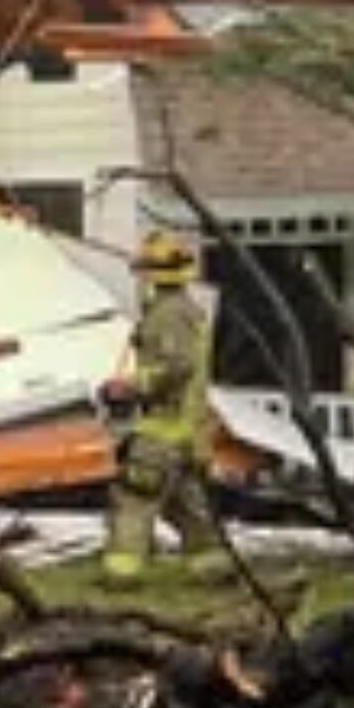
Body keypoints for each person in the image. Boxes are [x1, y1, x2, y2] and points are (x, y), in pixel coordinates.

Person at [101, 232, 218, 581]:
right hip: (188, 429)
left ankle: (121, 572)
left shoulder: (168, 314)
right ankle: (213, 568)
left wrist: (133, 386)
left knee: (133, 499)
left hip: (162, 428)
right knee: (187, 506)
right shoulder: (188, 311)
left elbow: (177, 365)